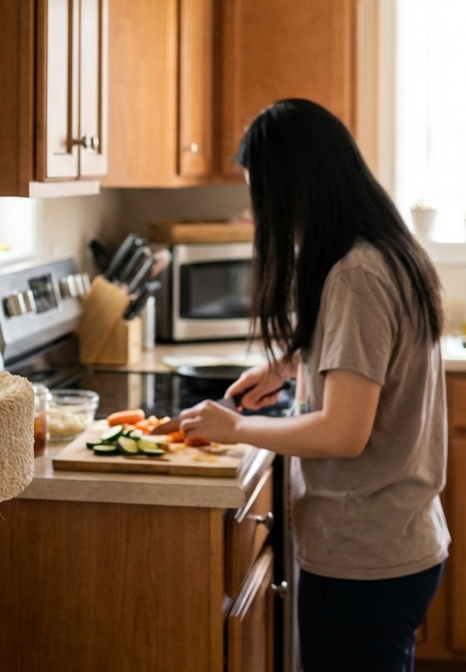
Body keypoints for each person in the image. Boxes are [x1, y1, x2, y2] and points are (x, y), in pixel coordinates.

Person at [156, 98, 449, 672]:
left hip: (365, 553)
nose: (260, 214)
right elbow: (375, 356)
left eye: (260, 196)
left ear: (293, 189)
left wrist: (237, 426)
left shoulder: (356, 276)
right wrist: (292, 362)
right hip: (400, 540)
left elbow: (344, 433)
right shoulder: (387, 251)